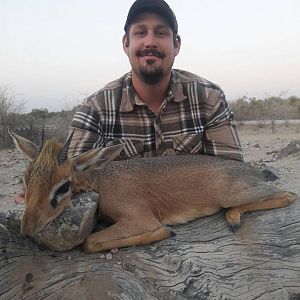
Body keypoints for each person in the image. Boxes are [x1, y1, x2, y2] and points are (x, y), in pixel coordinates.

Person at [68, 0, 243, 161]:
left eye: (161, 33)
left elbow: (232, 177)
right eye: (140, 33)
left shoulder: (209, 98)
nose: (150, 42)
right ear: (125, 44)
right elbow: (75, 183)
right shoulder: (94, 110)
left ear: (176, 45)